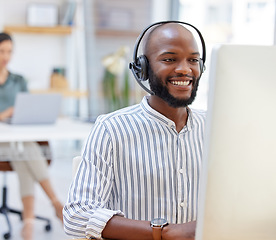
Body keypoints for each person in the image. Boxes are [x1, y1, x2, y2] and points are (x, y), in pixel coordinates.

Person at [63, 21, 206, 240]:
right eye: (169, 59)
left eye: (193, 60)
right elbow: (77, 216)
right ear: (143, 68)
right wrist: (165, 233)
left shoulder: (214, 127)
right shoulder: (111, 129)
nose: (185, 69)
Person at [0, 32, 63, 240]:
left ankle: (28, 225)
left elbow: (27, 109)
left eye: (9, 51)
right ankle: (55, 202)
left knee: (23, 150)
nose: (6, 56)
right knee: (25, 149)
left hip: (18, 141)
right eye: (1, 51)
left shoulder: (18, 80)